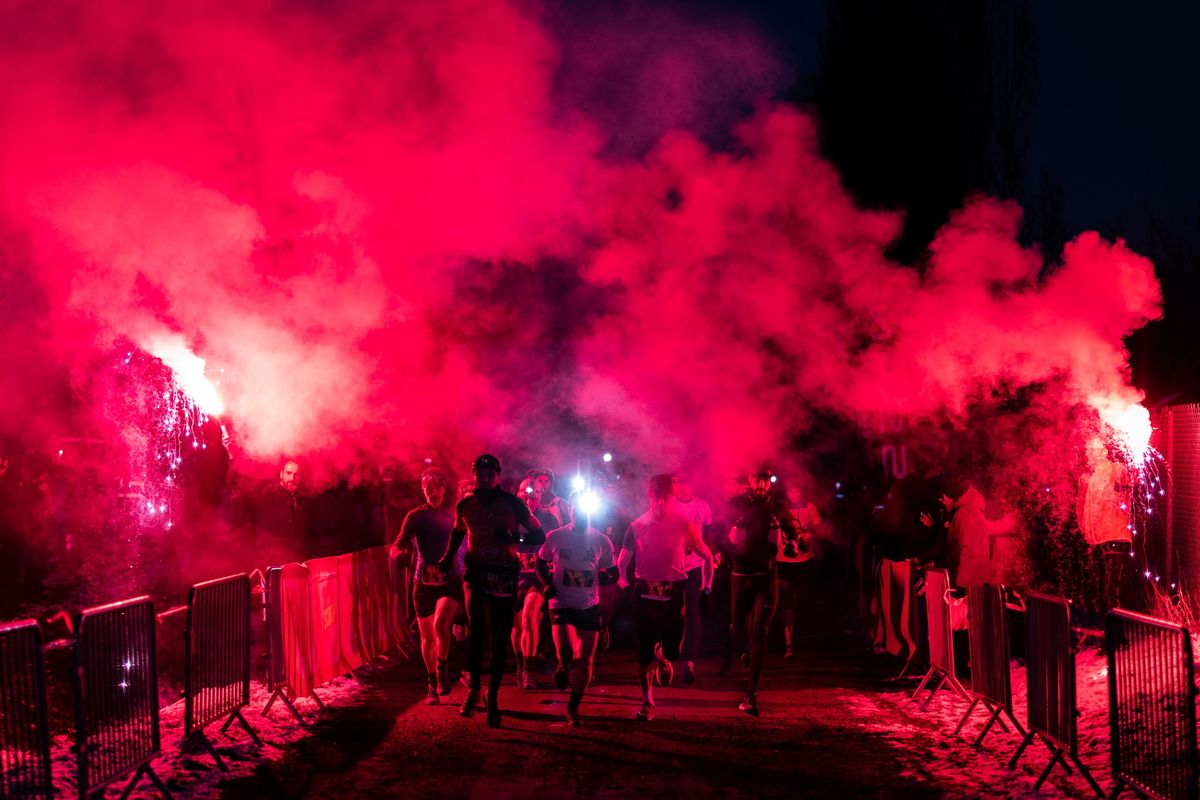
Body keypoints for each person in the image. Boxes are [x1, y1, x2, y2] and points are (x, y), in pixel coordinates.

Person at [438, 454, 546, 727]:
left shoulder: (513, 504)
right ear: (474, 476)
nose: (484, 478)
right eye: (480, 473)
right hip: (475, 574)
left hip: (504, 576)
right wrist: (447, 557)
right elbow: (458, 533)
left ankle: (494, 696)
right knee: (476, 633)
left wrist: (514, 538)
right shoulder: (465, 505)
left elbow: (539, 535)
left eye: (490, 473)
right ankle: (474, 690)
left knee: (499, 638)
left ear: (498, 476)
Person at [617, 475, 713, 721]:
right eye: (657, 499)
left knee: (673, 651)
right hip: (645, 592)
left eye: (666, 499)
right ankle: (647, 702)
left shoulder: (683, 524)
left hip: (674, 592)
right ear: (651, 498)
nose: (662, 504)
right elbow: (621, 564)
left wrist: (707, 588)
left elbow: (708, 557)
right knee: (643, 652)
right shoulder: (637, 526)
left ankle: (664, 656)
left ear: (671, 499)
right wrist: (626, 586)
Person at [726, 464, 800, 716]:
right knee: (739, 634)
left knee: (760, 631)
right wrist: (735, 528)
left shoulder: (776, 504)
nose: (761, 485)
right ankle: (740, 649)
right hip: (740, 574)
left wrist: (792, 542)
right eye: (758, 480)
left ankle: (751, 694)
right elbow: (722, 535)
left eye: (766, 481)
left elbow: (792, 532)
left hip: (766, 574)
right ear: (749, 479)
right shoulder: (737, 503)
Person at [536, 495, 617, 725]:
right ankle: (562, 665)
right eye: (576, 510)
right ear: (570, 512)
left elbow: (613, 572)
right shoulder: (556, 536)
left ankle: (573, 708)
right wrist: (546, 585)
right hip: (561, 603)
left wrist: (605, 575)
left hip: (589, 605)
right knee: (568, 652)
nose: (579, 514)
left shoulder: (601, 540)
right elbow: (540, 562)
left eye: (585, 510)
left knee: (587, 659)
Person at [391, 468, 463, 704]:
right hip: (423, 581)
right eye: (427, 489)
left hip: (450, 579)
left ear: (444, 489)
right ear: (422, 491)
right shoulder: (416, 516)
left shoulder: (453, 514)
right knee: (427, 637)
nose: (432, 492)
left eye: (436, 488)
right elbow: (399, 542)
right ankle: (431, 683)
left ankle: (442, 669)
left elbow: (469, 543)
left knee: (441, 625)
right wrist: (399, 553)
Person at [1077, 439, 1134, 612]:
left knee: (1111, 590)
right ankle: (1104, 630)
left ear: (1104, 451)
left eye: (1097, 450)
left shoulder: (1115, 469)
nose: (1092, 454)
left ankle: (1118, 634)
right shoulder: (1088, 477)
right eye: (1090, 450)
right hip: (1097, 541)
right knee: (1098, 589)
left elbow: (1127, 480)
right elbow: (1083, 508)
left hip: (1114, 537)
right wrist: (1086, 534)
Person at [669, 472, 715, 684]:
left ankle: (689, 661)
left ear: (692, 485)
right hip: (671, 568)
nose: (681, 487)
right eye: (676, 483)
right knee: (672, 612)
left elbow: (708, 532)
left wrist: (708, 587)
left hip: (695, 566)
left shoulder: (702, 506)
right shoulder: (667, 505)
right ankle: (668, 654)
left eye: (684, 483)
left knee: (692, 614)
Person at [513, 477, 556, 689]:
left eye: (535, 495)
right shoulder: (510, 517)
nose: (531, 500)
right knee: (517, 626)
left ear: (541, 496)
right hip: (514, 577)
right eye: (527, 495)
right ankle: (520, 664)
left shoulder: (549, 519)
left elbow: (556, 547)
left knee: (530, 616)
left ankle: (529, 670)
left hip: (537, 577)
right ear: (519, 495)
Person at [776, 479, 820, 660]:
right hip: (784, 561)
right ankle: (788, 644)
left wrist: (810, 537)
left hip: (804, 560)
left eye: (797, 491)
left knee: (802, 602)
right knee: (786, 604)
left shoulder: (809, 507)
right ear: (786, 493)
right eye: (791, 492)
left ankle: (802, 640)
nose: (794, 495)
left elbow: (818, 530)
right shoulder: (780, 509)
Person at [253, 458, 307, 566]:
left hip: (294, 558)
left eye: (296, 475)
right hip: (270, 559)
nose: (292, 478)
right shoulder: (269, 493)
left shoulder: (302, 498)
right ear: (281, 474)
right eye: (289, 473)